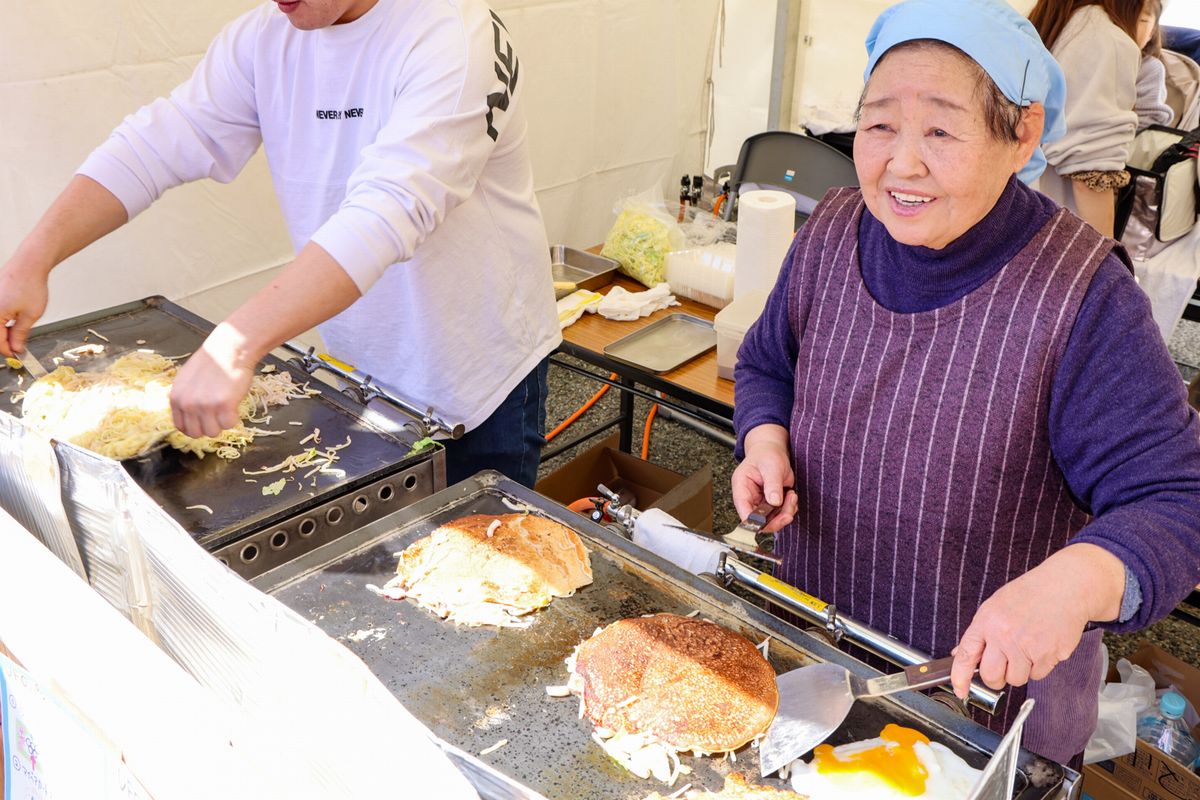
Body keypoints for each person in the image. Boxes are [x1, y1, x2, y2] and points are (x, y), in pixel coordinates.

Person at [731, 0, 1200, 767]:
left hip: (983, 719)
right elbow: (766, 363)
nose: (901, 163)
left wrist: (1075, 583)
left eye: (942, 130)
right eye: (879, 124)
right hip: (817, 664)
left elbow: (1178, 498)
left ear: (1022, 136)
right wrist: (765, 437)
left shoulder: (1081, 294)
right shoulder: (831, 231)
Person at [0, 0, 560, 488]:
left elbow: (389, 209)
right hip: (360, 370)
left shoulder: (454, 34)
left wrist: (237, 343)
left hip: (477, 376)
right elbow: (157, 144)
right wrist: (32, 259)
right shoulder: (263, 38)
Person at [1030, 0, 1146, 237]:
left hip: (1018, 211)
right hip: (1057, 226)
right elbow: (1089, 173)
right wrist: (1106, 260)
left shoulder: (1048, 23)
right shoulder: (1105, 41)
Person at [1134, 0, 1175, 130]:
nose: (1132, 26)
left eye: (1142, 21)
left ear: (1152, 32)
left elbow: (1149, 120)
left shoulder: (1149, 68)